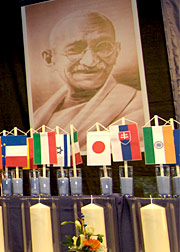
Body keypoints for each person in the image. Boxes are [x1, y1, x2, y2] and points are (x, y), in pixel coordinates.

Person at [33, 10, 146, 151]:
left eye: (103, 47)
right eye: (74, 50)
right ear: (50, 59)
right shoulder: (39, 116)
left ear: (116, 51)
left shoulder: (137, 107)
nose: (90, 61)